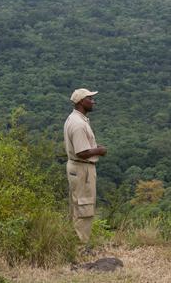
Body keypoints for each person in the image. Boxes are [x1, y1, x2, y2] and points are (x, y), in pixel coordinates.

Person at [64, 88, 107, 246]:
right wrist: (99, 151)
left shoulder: (75, 119)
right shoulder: (78, 124)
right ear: (81, 102)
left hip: (77, 167)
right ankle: (81, 245)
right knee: (84, 207)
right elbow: (81, 152)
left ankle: (75, 243)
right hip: (82, 168)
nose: (93, 101)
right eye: (90, 98)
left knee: (78, 206)